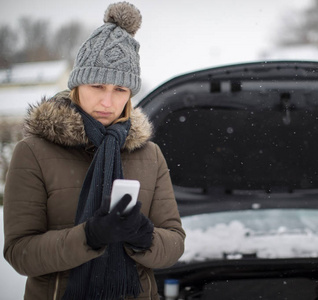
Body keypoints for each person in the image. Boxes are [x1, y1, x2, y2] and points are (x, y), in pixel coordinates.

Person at [3, 2, 185, 300]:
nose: (107, 102)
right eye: (97, 86)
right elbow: (20, 253)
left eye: (120, 90)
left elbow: (174, 244)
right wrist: (88, 236)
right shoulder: (33, 151)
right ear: (76, 86)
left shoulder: (149, 154)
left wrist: (144, 237)